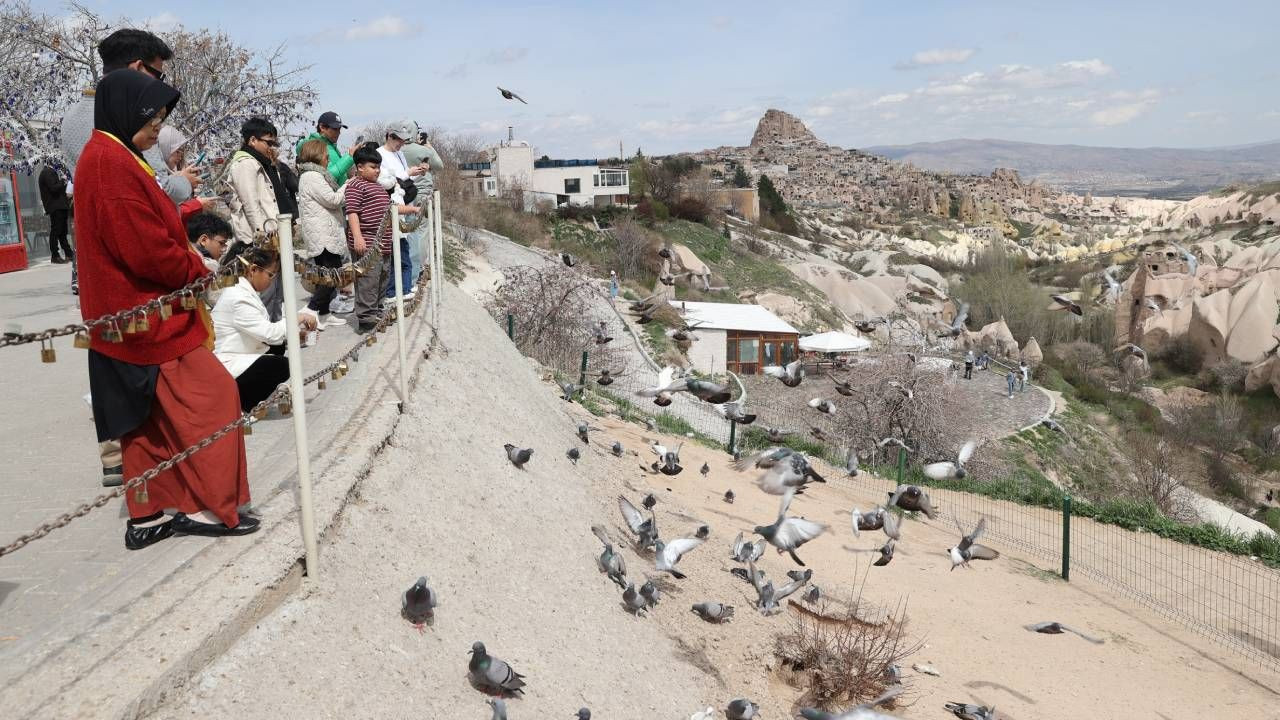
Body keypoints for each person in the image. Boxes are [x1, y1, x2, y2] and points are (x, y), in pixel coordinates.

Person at [76, 69, 255, 549]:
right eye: (151, 118)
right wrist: (196, 269)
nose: (158, 127)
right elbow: (145, 248)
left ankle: (150, 515)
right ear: (125, 112)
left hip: (129, 315)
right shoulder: (109, 162)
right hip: (146, 317)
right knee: (214, 398)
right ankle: (207, 506)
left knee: (146, 421)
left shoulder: (113, 154)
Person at [212, 246, 316, 412]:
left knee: (278, 346)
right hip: (227, 360)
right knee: (283, 366)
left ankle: (244, 398)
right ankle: (243, 404)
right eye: (270, 274)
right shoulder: (238, 298)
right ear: (253, 270)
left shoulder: (244, 291)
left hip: (240, 351)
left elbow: (265, 332)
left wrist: (295, 336)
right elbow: (269, 334)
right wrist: (297, 318)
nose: (272, 280)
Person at [345, 146, 418, 333]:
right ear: (360, 167)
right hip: (367, 243)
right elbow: (352, 212)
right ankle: (366, 318)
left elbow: (390, 209)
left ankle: (377, 310)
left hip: (384, 243)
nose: (377, 170)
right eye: (373, 167)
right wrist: (358, 237)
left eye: (378, 167)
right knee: (368, 280)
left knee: (382, 278)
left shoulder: (378, 187)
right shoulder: (355, 186)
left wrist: (412, 209)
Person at [224, 118, 288, 320]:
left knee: (277, 291)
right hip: (258, 239)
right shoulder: (245, 163)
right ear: (252, 140)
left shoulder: (263, 163)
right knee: (264, 292)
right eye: (268, 142)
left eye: (274, 143)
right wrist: (263, 237)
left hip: (272, 235)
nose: (272, 147)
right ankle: (264, 332)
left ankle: (276, 330)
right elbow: (250, 204)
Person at [296, 138, 350, 334]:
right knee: (332, 274)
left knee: (324, 274)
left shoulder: (313, 175)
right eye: (326, 157)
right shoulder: (312, 176)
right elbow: (333, 200)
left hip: (323, 233)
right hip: (323, 235)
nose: (328, 160)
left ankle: (324, 313)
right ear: (317, 156)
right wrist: (347, 185)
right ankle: (310, 309)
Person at [377, 121, 426, 303]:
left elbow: (403, 179)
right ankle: (395, 291)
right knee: (396, 252)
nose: (401, 143)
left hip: (403, 204)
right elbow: (386, 181)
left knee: (404, 249)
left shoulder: (400, 154)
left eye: (404, 140)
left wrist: (416, 172)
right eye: (398, 139)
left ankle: (403, 288)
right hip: (391, 208)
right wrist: (407, 174)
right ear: (390, 136)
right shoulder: (380, 155)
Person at [294, 111, 359, 185]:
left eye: (339, 129)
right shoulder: (314, 147)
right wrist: (349, 157)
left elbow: (338, 175)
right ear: (322, 127)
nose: (338, 132)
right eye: (335, 129)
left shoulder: (330, 146)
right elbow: (327, 176)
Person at [38, 163, 74, 263]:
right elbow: (54, 188)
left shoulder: (50, 172)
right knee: (56, 231)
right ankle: (55, 255)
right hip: (56, 206)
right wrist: (62, 180)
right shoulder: (47, 172)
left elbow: (57, 188)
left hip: (60, 206)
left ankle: (69, 253)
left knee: (62, 232)